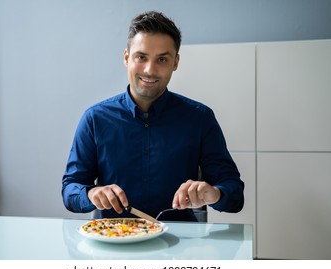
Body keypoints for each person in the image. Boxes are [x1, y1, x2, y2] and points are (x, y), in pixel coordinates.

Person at [62, 11, 244, 221]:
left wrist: (214, 194)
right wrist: (90, 193)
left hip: (179, 244)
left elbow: (235, 195)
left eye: (162, 59)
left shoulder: (200, 119)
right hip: (115, 241)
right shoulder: (94, 119)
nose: (150, 70)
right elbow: (70, 190)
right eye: (141, 57)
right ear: (126, 57)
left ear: (175, 62)